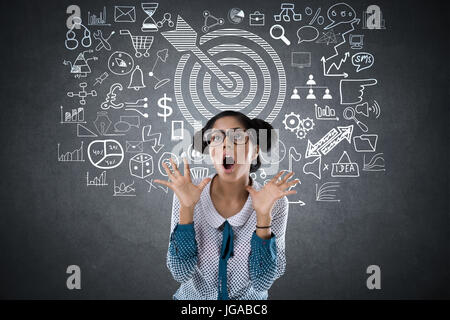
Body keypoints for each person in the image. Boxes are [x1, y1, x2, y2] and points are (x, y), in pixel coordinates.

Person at [154, 110, 299, 300]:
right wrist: (187, 209)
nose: (226, 144)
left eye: (238, 137)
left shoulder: (275, 202)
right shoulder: (188, 192)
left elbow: (263, 282)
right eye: (216, 138)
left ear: (255, 149)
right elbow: (180, 273)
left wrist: (263, 216)